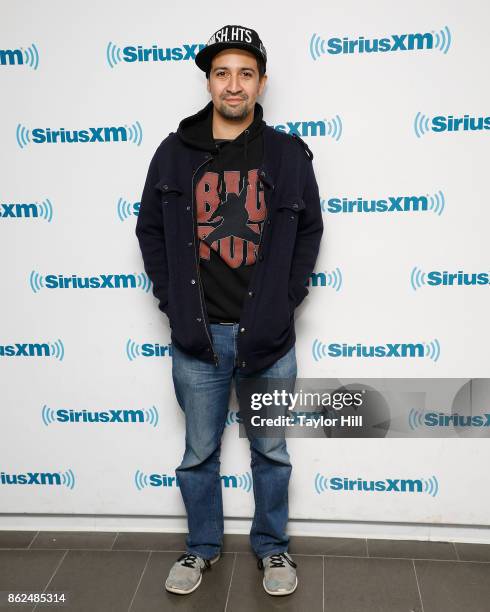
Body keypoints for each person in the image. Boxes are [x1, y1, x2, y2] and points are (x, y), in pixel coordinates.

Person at [135, 24, 323, 597]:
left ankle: (273, 550)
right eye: (223, 73)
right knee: (199, 453)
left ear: (261, 83)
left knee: (271, 451)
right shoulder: (173, 154)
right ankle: (201, 549)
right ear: (209, 81)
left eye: (246, 73)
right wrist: (173, 305)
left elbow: (310, 230)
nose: (234, 85)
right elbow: (150, 233)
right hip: (199, 339)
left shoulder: (288, 155)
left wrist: (284, 302)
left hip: (268, 340)